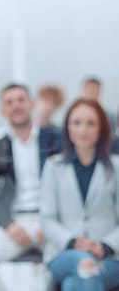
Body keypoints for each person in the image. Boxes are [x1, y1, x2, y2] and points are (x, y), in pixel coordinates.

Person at [0, 83, 62, 291]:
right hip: (17, 222)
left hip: (52, 219)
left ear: (31, 104)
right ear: (3, 110)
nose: (16, 106)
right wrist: (8, 225)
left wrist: (50, 223)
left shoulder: (55, 140)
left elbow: (66, 184)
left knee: (62, 263)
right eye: (9, 102)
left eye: (21, 100)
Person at [40, 98, 119, 291]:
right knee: (84, 264)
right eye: (77, 123)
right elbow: (47, 219)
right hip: (63, 254)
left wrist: (105, 246)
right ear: (67, 128)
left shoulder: (116, 167)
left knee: (78, 279)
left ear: (101, 128)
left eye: (90, 123)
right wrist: (73, 242)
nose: (83, 130)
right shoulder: (53, 166)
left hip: (109, 257)